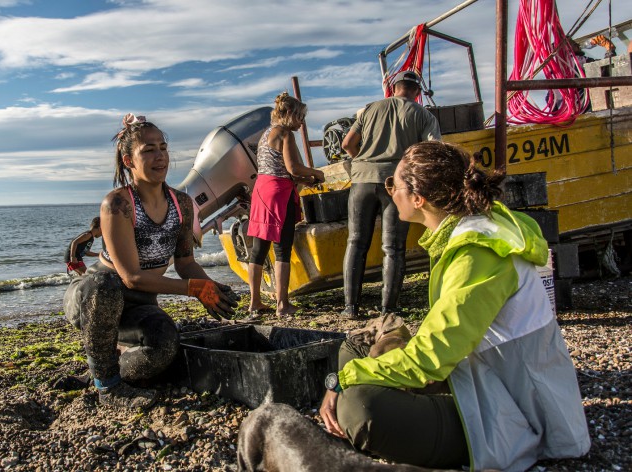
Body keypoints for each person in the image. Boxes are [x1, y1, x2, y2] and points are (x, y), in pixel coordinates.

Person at [313, 141, 590, 470]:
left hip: (507, 412)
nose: (390, 192)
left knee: (358, 407)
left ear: (419, 198)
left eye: (393, 184)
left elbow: (432, 357)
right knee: (354, 349)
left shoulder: (478, 252)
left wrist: (342, 380)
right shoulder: (469, 231)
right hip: (475, 375)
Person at [63, 113, 239, 410]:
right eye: (148, 150)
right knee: (106, 283)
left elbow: (185, 263)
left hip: (140, 307)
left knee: (165, 346)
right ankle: (107, 387)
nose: (160, 156)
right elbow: (130, 277)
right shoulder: (118, 204)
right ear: (129, 161)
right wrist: (194, 289)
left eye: (163, 147)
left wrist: (211, 288)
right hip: (93, 300)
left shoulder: (182, 204)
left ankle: (101, 367)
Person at [340, 70, 441, 319]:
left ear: (393, 89)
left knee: (356, 242)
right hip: (395, 183)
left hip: (362, 180)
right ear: (417, 92)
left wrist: (364, 163)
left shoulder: (370, 108)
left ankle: (350, 308)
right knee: (393, 247)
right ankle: (389, 309)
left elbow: (347, 144)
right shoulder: (423, 114)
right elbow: (432, 150)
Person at [246, 92, 324, 317]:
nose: (302, 122)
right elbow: (293, 169)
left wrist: (305, 180)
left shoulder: (265, 134)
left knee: (258, 251)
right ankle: (282, 304)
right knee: (282, 250)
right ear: (289, 113)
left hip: (261, 191)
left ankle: (254, 303)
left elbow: (277, 169)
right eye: (300, 116)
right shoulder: (285, 134)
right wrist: (316, 172)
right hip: (279, 195)